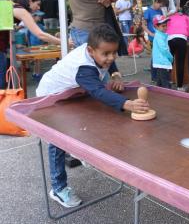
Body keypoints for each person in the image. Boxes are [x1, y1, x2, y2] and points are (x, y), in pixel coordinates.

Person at [36, 24, 150, 208]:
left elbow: (107, 60)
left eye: (114, 52)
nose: (111, 57)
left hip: (72, 92)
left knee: (89, 120)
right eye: (106, 54)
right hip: (50, 99)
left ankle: (80, 151)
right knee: (57, 140)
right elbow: (98, 91)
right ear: (90, 51)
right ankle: (58, 188)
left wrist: (115, 74)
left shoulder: (99, 50)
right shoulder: (84, 68)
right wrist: (128, 104)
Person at [0, 0, 61, 89]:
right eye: (38, 4)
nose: (39, 8)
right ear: (30, 1)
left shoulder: (7, 5)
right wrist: (63, 42)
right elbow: (40, 34)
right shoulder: (19, 9)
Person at [143, 0, 169, 82]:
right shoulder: (148, 11)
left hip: (160, 37)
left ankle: (158, 76)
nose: (160, 7)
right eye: (160, 5)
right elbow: (143, 25)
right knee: (155, 57)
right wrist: (150, 33)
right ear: (156, 1)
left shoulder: (160, 11)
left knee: (159, 56)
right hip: (153, 38)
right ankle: (154, 77)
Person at [166, 7, 189, 90]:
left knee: (169, 61)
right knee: (180, 63)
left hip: (170, 39)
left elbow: (166, 29)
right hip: (181, 39)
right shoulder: (186, 18)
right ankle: (179, 86)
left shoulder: (170, 17)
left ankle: (167, 81)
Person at [151, 15, 173, 89]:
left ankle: (158, 93)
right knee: (165, 82)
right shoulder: (159, 36)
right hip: (162, 61)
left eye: (166, 25)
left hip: (160, 62)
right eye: (163, 26)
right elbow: (164, 49)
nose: (165, 28)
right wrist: (170, 57)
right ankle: (168, 96)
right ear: (156, 26)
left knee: (160, 81)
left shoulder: (160, 35)